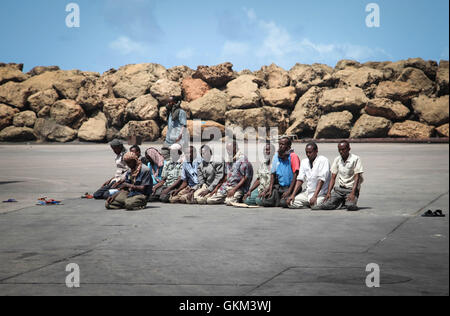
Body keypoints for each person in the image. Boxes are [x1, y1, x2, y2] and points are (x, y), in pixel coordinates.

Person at [316, 141, 364, 211]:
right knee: (324, 205)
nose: (341, 152)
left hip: (351, 189)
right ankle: (341, 202)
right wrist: (328, 193)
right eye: (339, 150)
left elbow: (357, 177)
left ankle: (346, 202)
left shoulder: (356, 159)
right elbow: (333, 177)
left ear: (349, 149)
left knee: (350, 206)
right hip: (339, 190)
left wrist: (353, 193)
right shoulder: (337, 159)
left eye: (343, 149)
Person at [207, 139, 253, 206]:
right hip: (227, 186)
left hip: (238, 187)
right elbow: (226, 176)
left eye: (229, 149)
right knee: (209, 200)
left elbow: (245, 178)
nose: (228, 152)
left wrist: (234, 189)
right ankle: (226, 197)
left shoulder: (242, 160)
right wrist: (217, 188)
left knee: (229, 202)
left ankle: (238, 197)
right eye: (227, 150)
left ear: (235, 148)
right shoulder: (229, 159)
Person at [287, 142, 330, 209]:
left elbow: (321, 180)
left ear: (316, 151)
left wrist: (315, 196)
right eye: (306, 152)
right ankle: (308, 204)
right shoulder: (304, 162)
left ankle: (311, 203)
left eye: (310, 152)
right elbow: (300, 179)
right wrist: (293, 195)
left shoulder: (323, 160)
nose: (308, 154)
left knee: (315, 206)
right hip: (308, 192)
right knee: (290, 203)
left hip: (320, 194)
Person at [259, 137, 300, 208]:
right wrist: (270, 189)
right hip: (280, 187)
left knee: (284, 203)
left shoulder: (293, 156)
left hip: (290, 187)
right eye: (279, 144)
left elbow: (295, 175)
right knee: (265, 201)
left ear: (288, 146)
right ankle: (278, 199)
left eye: (283, 144)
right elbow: (273, 174)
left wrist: (289, 191)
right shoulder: (276, 156)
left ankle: (281, 199)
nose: (280, 146)